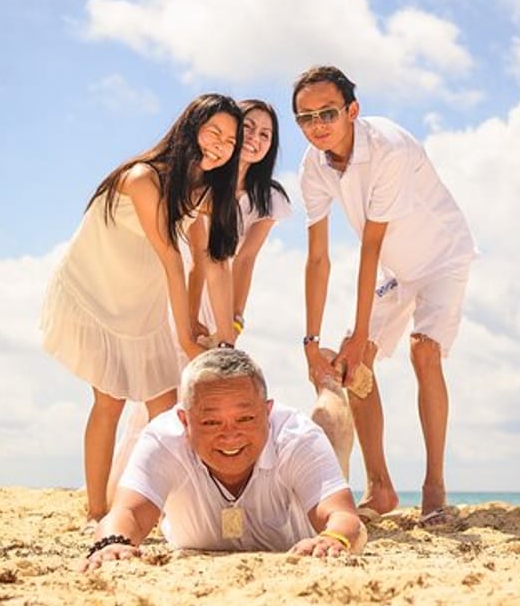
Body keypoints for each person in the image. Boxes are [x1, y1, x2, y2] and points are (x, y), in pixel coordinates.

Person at [41, 93, 243, 524]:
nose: (220, 145)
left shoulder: (205, 190)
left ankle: (181, 513)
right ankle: (97, 513)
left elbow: (211, 261)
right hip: (95, 292)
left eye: (230, 140)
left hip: (141, 303)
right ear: (191, 127)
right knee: (109, 400)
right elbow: (171, 255)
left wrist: (224, 339)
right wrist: (187, 338)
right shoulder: (142, 178)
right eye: (214, 132)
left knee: (168, 407)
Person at [292, 65, 476, 525]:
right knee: (354, 365)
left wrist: (357, 332)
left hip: (442, 257)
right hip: (399, 268)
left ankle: (434, 489)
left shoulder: (387, 147)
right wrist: (312, 342)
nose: (317, 126)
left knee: (424, 352)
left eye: (327, 113)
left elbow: (369, 245)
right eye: (306, 117)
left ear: (352, 110)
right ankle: (381, 487)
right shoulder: (313, 166)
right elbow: (318, 258)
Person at [81, 347, 365, 569]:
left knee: (331, 434)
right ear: (184, 420)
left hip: (303, 489)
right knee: (123, 479)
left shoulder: (297, 437)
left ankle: (328, 385)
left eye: (245, 418)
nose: (230, 436)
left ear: (267, 412)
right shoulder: (164, 438)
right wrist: (112, 544)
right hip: (165, 441)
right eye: (211, 423)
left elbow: (345, 518)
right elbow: (127, 513)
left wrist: (332, 538)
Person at [186, 98, 292, 343]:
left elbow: (245, 258)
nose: (255, 138)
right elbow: (198, 257)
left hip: (219, 297)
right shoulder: (201, 181)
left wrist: (235, 320)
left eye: (265, 134)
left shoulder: (269, 198)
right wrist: (190, 316)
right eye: (248, 127)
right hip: (178, 289)